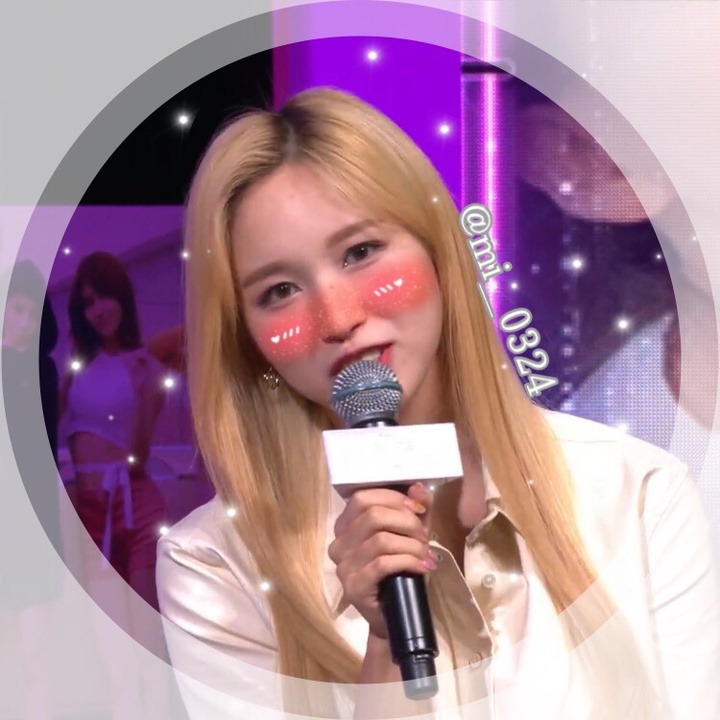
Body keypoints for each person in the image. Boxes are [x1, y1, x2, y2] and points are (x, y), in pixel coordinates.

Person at [155, 88, 720, 720]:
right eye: (280, 291)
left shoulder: (637, 494)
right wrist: (385, 649)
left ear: (441, 252)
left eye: (361, 253)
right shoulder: (215, 569)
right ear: (249, 340)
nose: (338, 319)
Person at [60, 251, 171, 719]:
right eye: (87, 303)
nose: (98, 309)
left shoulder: (145, 365)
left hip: (136, 502)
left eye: (103, 296)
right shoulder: (73, 372)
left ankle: (160, 710)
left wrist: (144, 389)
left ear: (121, 296)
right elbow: (52, 440)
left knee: (146, 630)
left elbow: (139, 455)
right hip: (89, 510)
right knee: (109, 634)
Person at [2, 259, 65, 719]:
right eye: (16, 310)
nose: (24, 322)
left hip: (32, 518)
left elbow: (37, 441)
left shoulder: (42, 370)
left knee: (36, 648)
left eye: (31, 313)